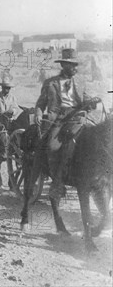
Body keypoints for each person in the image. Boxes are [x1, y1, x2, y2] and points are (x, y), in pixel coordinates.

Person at [34, 48, 100, 200]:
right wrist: (38, 113)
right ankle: (57, 180)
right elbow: (41, 103)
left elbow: (86, 99)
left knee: (95, 140)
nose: (75, 68)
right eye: (72, 65)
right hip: (58, 119)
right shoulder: (50, 83)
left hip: (78, 117)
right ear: (63, 65)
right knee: (52, 146)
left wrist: (92, 102)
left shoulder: (81, 82)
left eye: (76, 65)